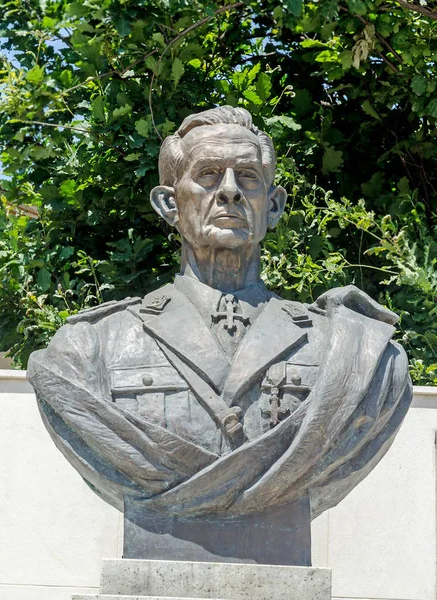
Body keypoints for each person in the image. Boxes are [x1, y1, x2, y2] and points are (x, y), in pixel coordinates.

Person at [27, 106, 412, 524]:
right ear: (170, 205)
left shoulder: (353, 354)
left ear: (275, 205)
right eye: (208, 174)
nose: (229, 191)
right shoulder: (90, 348)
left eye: (248, 176)